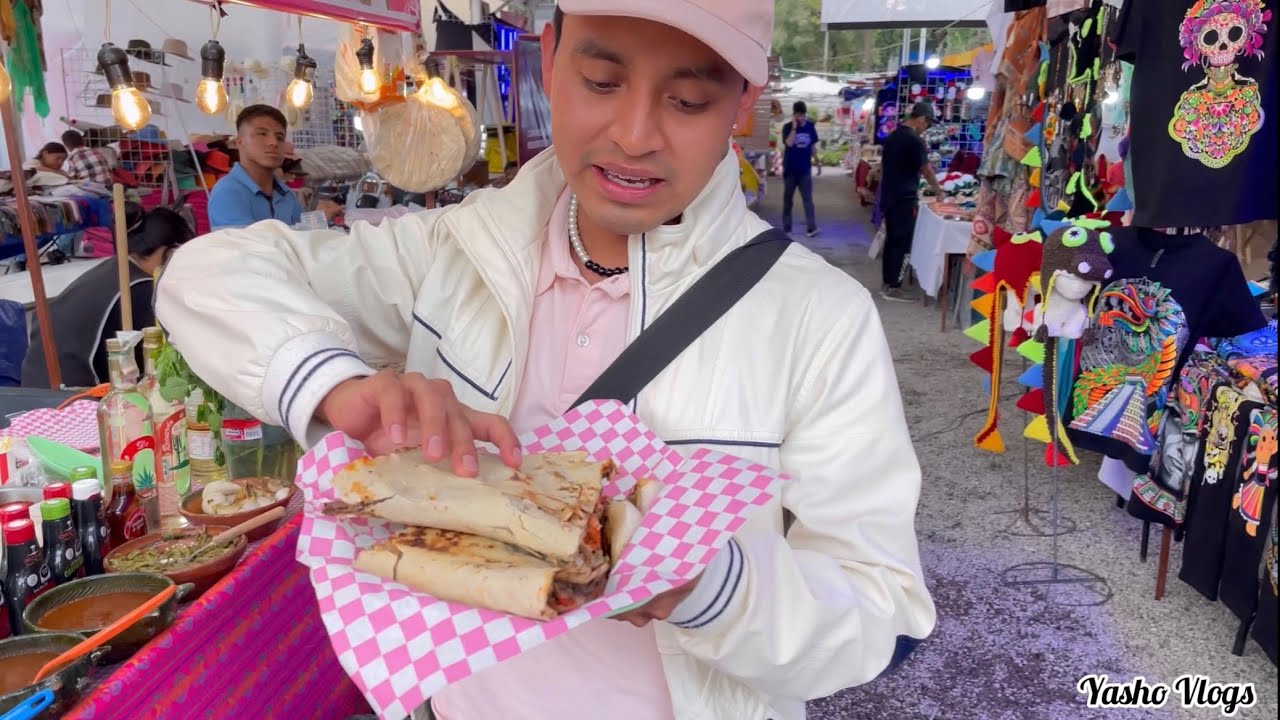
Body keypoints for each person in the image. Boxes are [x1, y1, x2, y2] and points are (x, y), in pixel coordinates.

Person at [156, 3, 934, 719]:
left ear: (743, 100)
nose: (634, 134)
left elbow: (882, 614)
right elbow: (208, 275)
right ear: (550, 56)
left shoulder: (816, 319)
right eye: (601, 81)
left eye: (688, 100)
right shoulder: (455, 251)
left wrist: (715, 589)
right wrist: (338, 385)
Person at [23, 206, 194, 389]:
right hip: (74, 395)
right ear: (167, 252)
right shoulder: (141, 288)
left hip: (35, 385)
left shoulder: (112, 269)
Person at [207, 105, 339, 229]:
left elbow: (299, 240)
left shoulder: (286, 195)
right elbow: (251, 248)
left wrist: (318, 218)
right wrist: (316, 223)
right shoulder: (228, 193)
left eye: (280, 137)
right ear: (240, 142)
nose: (273, 142)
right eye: (262, 134)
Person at [878, 101, 945, 303]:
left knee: (891, 241)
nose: (927, 128)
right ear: (921, 119)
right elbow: (926, 169)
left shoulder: (892, 137)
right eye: (928, 124)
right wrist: (938, 191)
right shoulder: (914, 141)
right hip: (905, 198)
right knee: (904, 243)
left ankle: (887, 282)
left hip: (890, 195)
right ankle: (895, 287)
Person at [780, 100, 821, 238]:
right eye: (798, 115)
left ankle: (811, 227)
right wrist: (794, 127)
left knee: (808, 199)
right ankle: (787, 228)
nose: (800, 117)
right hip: (790, 170)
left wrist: (818, 162)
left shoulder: (810, 127)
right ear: (794, 115)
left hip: (805, 170)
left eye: (802, 115)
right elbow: (789, 143)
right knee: (788, 200)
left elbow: (813, 146)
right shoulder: (787, 127)